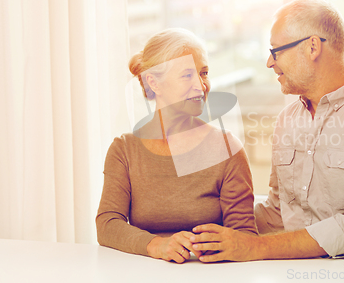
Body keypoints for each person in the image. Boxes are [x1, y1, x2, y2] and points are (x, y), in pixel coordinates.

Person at [190, 0, 344, 262]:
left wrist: (254, 248)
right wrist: (200, 218)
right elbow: (280, 213)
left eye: (276, 51)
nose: (269, 62)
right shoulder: (288, 118)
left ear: (312, 47)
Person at [96, 28, 257, 263]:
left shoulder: (227, 148)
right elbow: (107, 224)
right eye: (187, 75)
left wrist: (212, 245)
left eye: (204, 73)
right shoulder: (124, 150)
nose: (201, 86)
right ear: (154, 82)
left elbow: (244, 237)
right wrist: (157, 245)